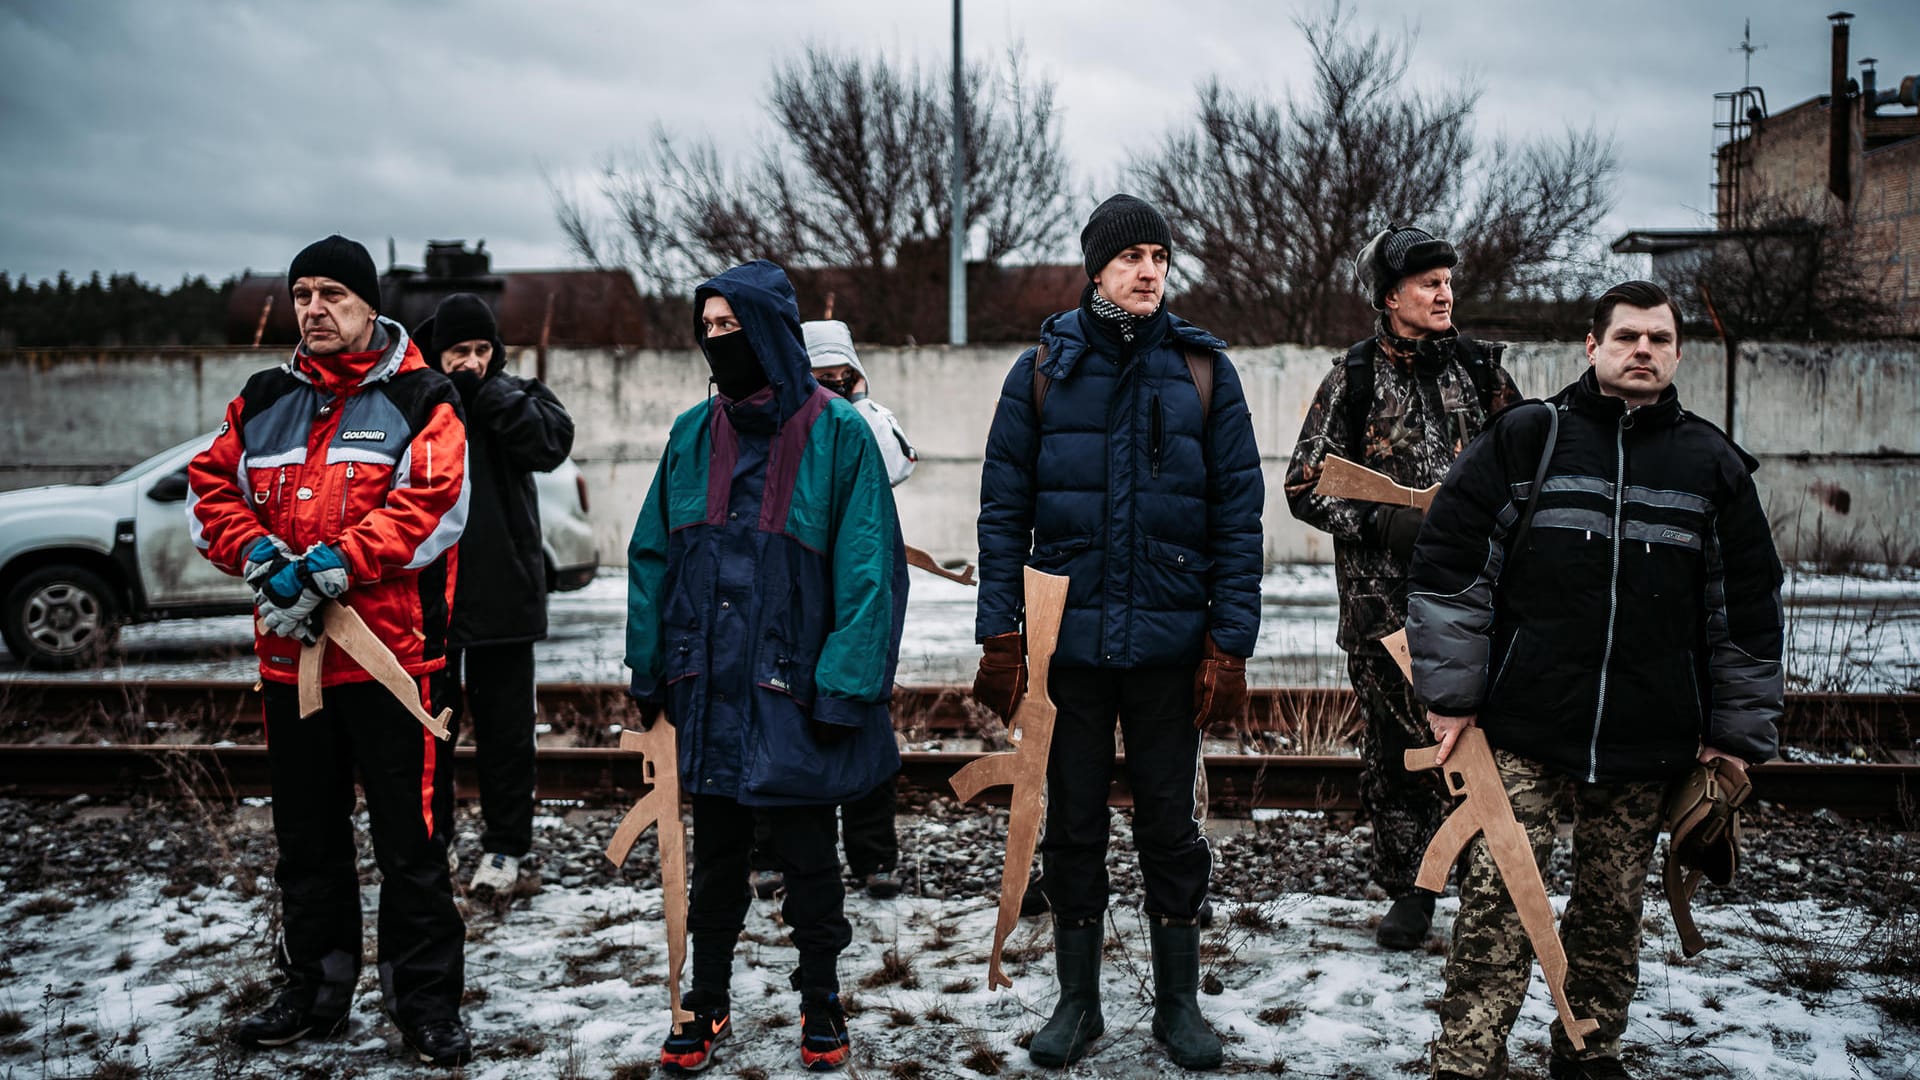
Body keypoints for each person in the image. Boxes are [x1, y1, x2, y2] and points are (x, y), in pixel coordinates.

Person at [1406, 280, 1784, 1080]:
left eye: (1657, 338)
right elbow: (1451, 567)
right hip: (1522, 724)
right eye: (1626, 337)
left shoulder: (1710, 465)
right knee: (1498, 904)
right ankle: (1467, 1058)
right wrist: (1452, 700)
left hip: (1650, 735)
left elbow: (1744, 609)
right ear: (1592, 346)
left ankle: (1589, 1050)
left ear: (1678, 353)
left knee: (1613, 910)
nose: (1641, 350)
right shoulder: (1529, 438)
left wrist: (1734, 738)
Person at [973, 194, 1264, 1071]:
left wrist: (1230, 643)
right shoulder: (1041, 372)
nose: (1148, 270)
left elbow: (1239, 519)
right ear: (1096, 267)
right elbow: (1001, 513)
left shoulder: (1205, 372)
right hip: (1070, 651)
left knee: (1172, 828)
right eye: (1131, 255)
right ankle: (1078, 1001)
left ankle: (1178, 1004)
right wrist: (1001, 636)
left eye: (1159, 257)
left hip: (1173, 648)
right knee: (1073, 828)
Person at [187, 235, 474, 1066]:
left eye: (333, 295)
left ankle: (424, 1004)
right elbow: (213, 487)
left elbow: (433, 501)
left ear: (369, 305)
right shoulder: (264, 397)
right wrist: (261, 558)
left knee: (412, 846)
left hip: (395, 664)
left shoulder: (425, 396)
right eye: (304, 293)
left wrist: (337, 563)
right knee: (306, 838)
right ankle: (314, 988)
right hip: (294, 665)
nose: (315, 309)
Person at [624, 261, 907, 1074]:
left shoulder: (838, 433)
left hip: (795, 688)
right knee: (715, 860)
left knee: (810, 858)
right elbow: (651, 556)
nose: (718, 342)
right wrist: (651, 669)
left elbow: (871, 574)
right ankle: (704, 1001)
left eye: (730, 327)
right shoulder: (690, 434)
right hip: (707, 685)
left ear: (770, 332)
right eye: (706, 329)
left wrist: (847, 687)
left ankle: (822, 1000)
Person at [1284, 224, 1520, 949]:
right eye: (1427, 282)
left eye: (1447, 279)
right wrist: (1382, 526)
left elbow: (1531, 476)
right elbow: (1302, 485)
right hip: (1379, 610)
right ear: (1390, 297)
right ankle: (1410, 894)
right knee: (1394, 759)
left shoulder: (1484, 373)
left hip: (1477, 604)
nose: (1444, 291)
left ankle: (1490, 889)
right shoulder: (1352, 378)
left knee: (1484, 751)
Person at [412, 293, 575, 896]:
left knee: (507, 737)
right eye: (460, 351)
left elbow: (551, 446)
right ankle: (436, 841)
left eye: (483, 350)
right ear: (438, 352)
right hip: (432, 600)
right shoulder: (418, 400)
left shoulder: (517, 395)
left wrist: (489, 392)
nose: (472, 362)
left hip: (505, 601)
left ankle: (505, 849)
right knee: (430, 735)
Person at [749, 319, 915, 903]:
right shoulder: (775, 422)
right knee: (776, 728)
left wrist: (859, 403)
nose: (835, 388)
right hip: (793, 592)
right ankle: (770, 855)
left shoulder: (863, 421)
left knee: (865, 727)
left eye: (844, 378)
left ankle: (875, 859)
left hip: (857, 590)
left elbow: (898, 462)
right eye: (823, 379)